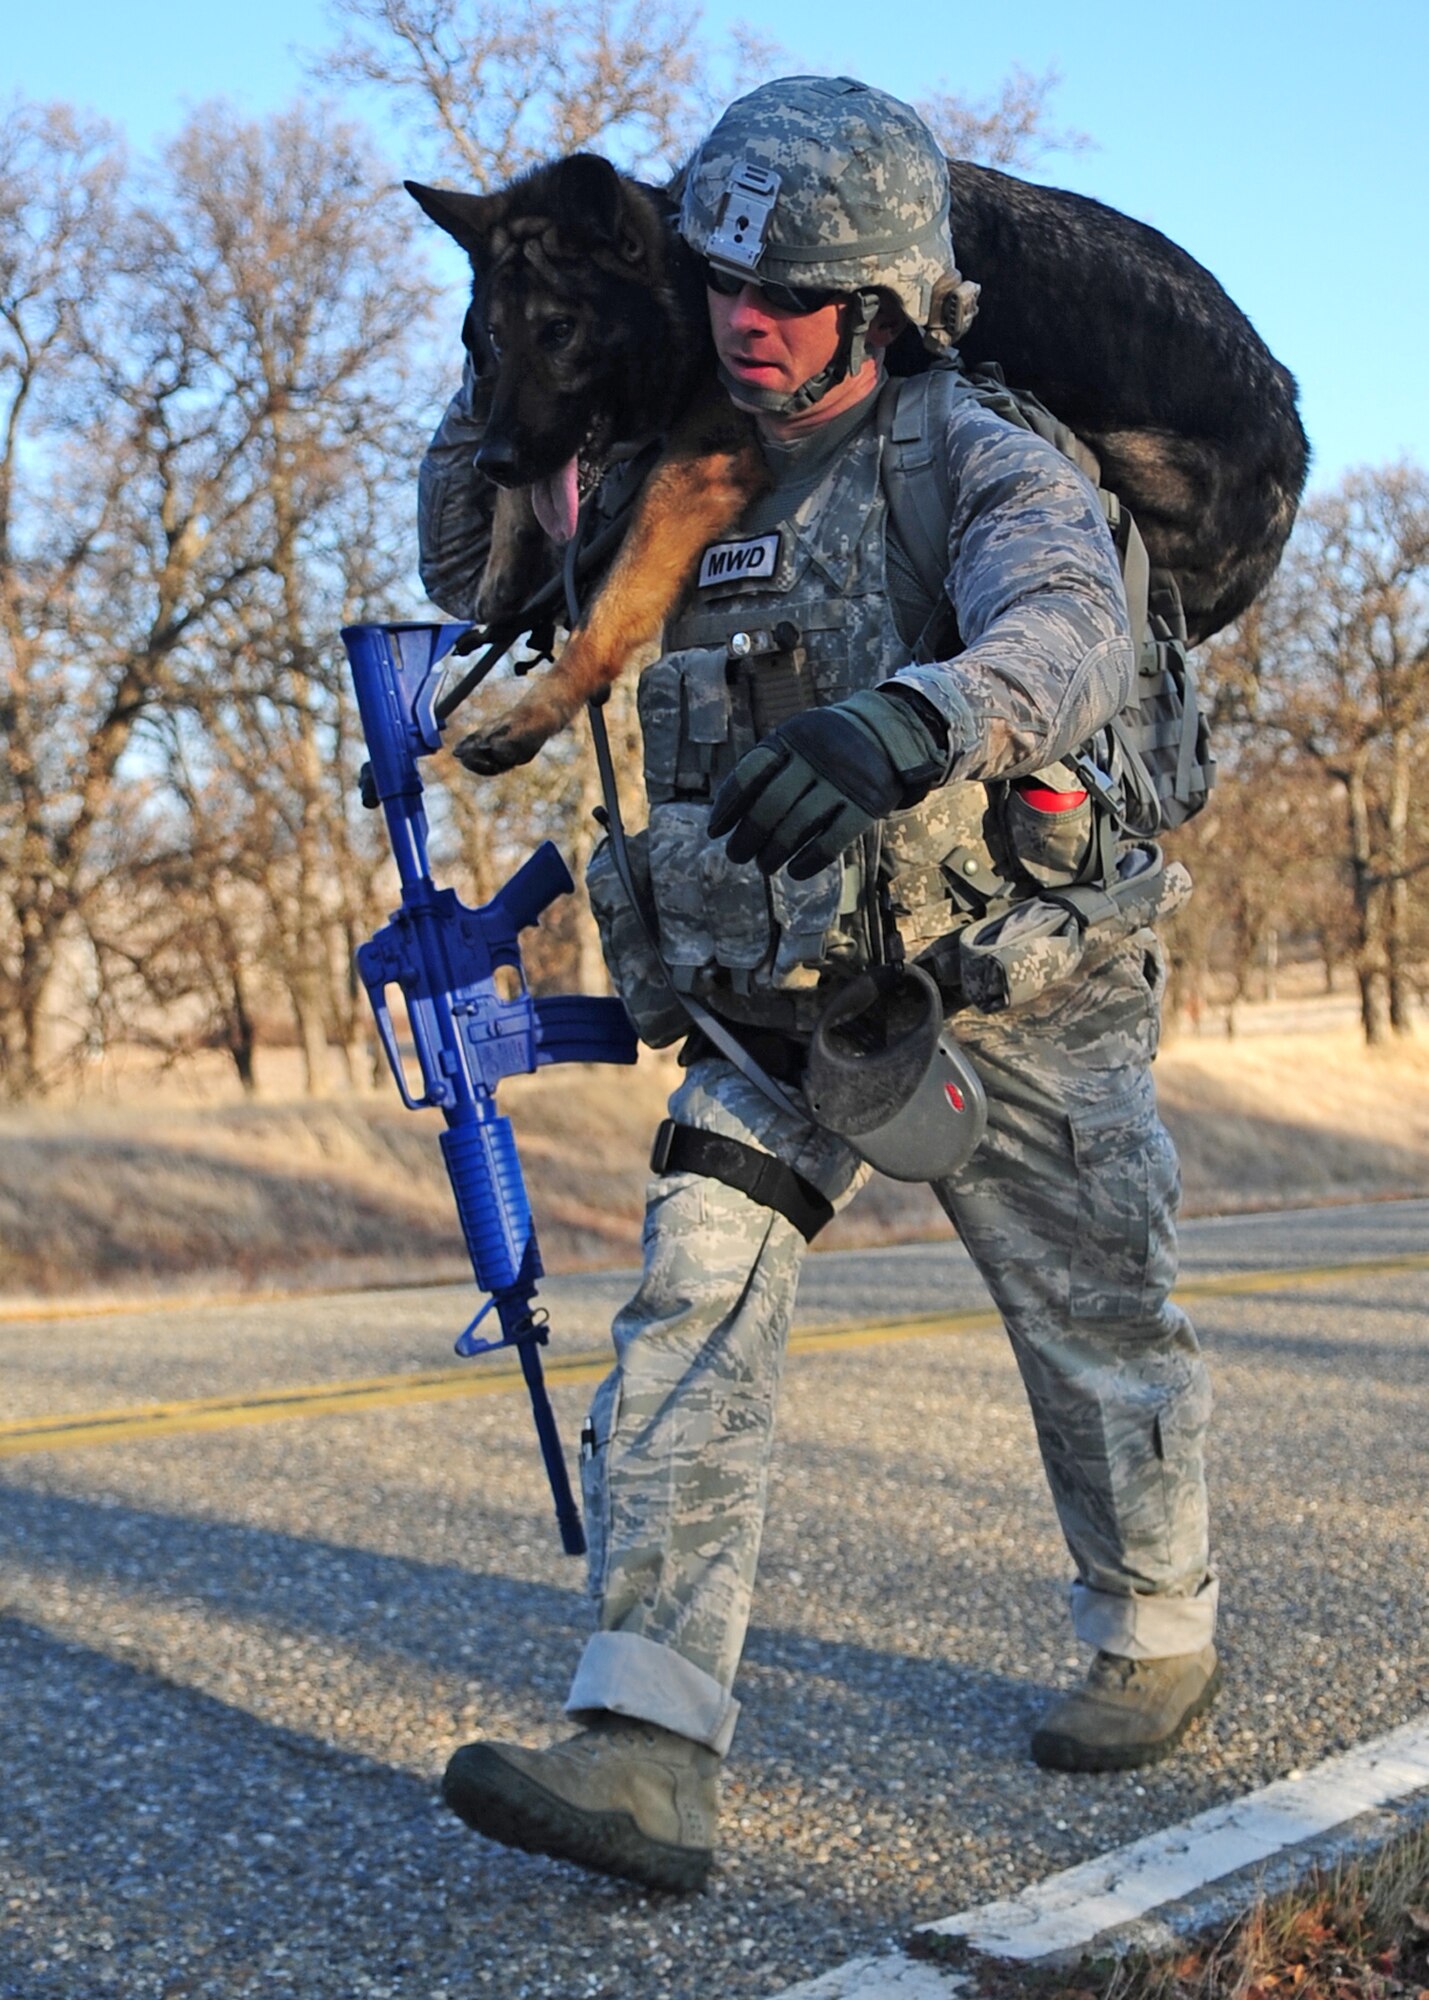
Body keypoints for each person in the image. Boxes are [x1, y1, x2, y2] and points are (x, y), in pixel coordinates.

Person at [417, 75, 1219, 1895]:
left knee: (1095, 1319)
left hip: (1015, 983)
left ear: (885, 303)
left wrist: (907, 717)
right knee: (694, 1290)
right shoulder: (665, 472)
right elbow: (461, 572)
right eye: (725, 289)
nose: (750, 329)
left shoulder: (980, 450)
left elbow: (1063, 631)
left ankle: (1155, 1624)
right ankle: (643, 1742)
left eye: (795, 299)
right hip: (777, 998)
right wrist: (498, 351)